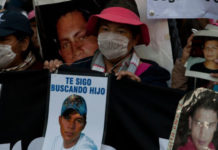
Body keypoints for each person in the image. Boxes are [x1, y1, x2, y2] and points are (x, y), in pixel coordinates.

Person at [59, 2, 170, 87]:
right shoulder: (78, 69)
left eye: (120, 32)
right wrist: (55, 73)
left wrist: (138, 89)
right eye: (105, 29)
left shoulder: (152, 75)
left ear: (135, 39)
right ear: (97, 33)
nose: (111, 37)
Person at [172, 24, 218, 91]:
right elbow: (178, 91)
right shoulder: (195, 67)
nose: (210, 51)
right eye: (207, 47)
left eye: (214, 48)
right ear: (203, 50)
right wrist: (183, 61)